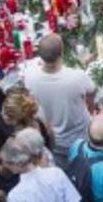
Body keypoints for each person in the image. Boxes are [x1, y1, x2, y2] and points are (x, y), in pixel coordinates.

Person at [23, 33, 95, 161]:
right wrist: (90, 110)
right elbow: (91, 95)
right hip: (81, 138)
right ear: (62, 53)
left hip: (54, 141)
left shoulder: (29, 77)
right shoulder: (77, 77)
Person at [3, 130, 81, 202]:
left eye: (6, 162)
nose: (4, 165)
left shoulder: (15, 196)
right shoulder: (56, 173)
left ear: (17, 164)